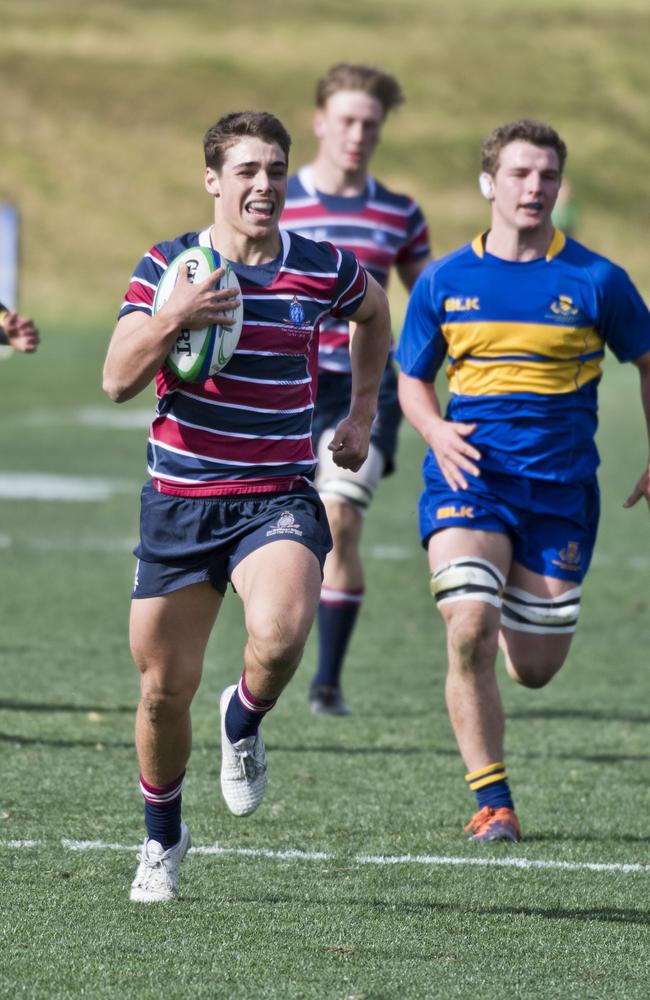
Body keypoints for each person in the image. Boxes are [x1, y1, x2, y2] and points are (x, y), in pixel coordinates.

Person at [102, 111, 390, 901]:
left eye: (274, 170)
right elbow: (116, 380)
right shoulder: (167, 266)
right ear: (213, 180)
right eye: (245, 171)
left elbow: (374, 313)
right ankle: (163, 839)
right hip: (181, 502)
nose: (262, 185)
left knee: (281, 632)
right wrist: (175, 319)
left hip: (276, 498)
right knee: (162, 689)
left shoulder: (319, 266)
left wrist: (362, 412)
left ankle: (244, 721)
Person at [396, 118, 650, 844]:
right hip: (470, 480)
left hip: (562, 492)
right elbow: (412, 379)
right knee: (469, 629)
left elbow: (649, 359)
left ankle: (508, 602)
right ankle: (493, 802)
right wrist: (437, 431)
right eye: (518, 173)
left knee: (534, 670)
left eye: (545, 175)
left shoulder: (598, 280)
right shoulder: (446, 280)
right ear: (489, 183)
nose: (533, 187)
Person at [280, 63, 431, 715]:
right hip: (282, 384)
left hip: (367, 390)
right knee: (283, 528)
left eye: (370, 123)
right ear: (319, 122)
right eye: (345, 119)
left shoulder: (400, 213)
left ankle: (326, 683)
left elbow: (430, 304)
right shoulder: (276, 199)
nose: (357, 133)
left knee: (340, 517)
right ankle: (269, 651)